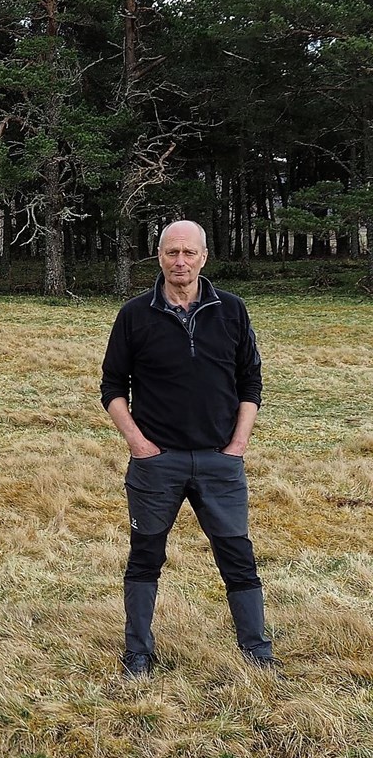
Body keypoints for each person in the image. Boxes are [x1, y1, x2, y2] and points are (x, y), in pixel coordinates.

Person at [100, 219, 275, 678]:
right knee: (145, 555)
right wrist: (138, 444)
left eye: (189, 253)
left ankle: (256, 652)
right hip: (157, 464)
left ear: (204, 257)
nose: (180, 262)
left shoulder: (232, 310)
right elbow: (113, 388)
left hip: (220, 461)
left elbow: (250, 382)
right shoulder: (135, 315)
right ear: (158, 256)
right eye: (171, 252)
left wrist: (238, 444)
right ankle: (138, 653)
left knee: (238, 556)